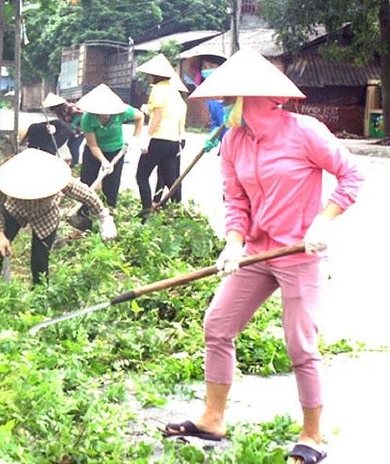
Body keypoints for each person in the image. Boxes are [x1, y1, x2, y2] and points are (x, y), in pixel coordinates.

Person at [161, 48, 363, 464]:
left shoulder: (305, 132)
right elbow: (235, 199)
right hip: (257, 253)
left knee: (300, 346)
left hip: (299, 253)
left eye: (229, 101)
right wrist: (234, 241)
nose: (223, 108)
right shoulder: (234, 141)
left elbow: (351, 175)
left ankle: (312, 435)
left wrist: (324, 220)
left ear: (253, 100)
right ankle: (214, 418)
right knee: (217, 325)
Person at [0, 148, 117, 296]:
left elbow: (87, 195)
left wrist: (104, 217)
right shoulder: (6, 181)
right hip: (15, 210)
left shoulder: (55, 179)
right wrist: (1, 235)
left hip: (46, 214)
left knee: (40, 260)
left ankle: (39, 297)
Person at [71, 84, 144, 230]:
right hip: (94, 152)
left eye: (108, 112)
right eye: (102, 112)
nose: (105, 115)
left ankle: (109, 215)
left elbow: (140, 117)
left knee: (112, 184)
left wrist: (135, 138)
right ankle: (84, 216)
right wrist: (104, 161)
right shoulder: (87, 119)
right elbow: (93, 145)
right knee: (87, 182)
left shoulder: (122, 112)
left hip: (116, 150)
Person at [134, 54, 188, 219]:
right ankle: (178, 213)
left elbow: (157, 116)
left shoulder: (157, 90)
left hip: (159, 139)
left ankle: (146, 211)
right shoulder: (175, 92)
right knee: (171, 179)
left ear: (153, 75)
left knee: (142, 175)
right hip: (173, 142)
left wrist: (147, 137)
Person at [18, 93, 73, 157]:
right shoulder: (33, 129)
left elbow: (32, 149)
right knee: (46, 150)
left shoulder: (33, 131)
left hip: (65, 130)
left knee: (49, 150)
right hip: (61, 128)